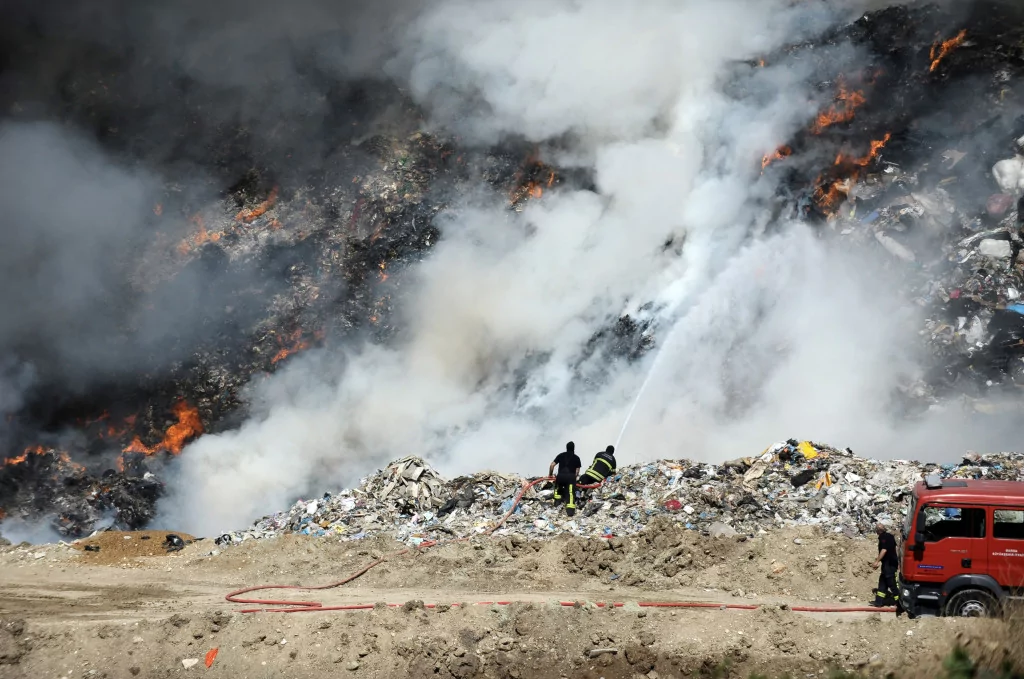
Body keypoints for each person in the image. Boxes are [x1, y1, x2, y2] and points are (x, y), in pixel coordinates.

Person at [870, 522, 901, 613]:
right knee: (882, 583)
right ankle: (878, 602)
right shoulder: (890, 536)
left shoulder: (884, 538)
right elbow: (896, 549)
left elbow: (884, 550)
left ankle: (899, 603)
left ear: (878, 531)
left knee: (893, 584)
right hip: (887, 564)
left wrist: (876, 561)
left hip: (890, 564)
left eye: (876, 530)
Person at [549, 442, 582, 517]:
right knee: (570, 493)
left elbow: (552, 465)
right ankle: (570, 511)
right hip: (570, 477)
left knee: (557, 490)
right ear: (574, 448)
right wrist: (574, 478)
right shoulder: (576, 458)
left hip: (560, 476)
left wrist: (550, 475)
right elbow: (577, 471)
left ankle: (556, 504)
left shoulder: (561, 455)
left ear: (566, 448)